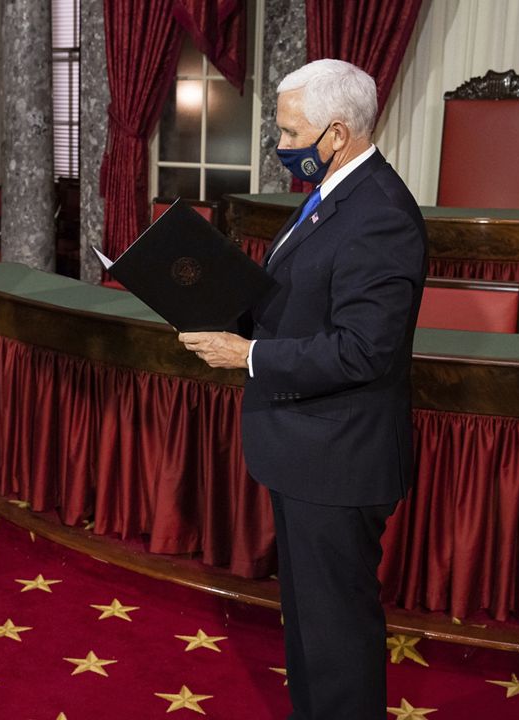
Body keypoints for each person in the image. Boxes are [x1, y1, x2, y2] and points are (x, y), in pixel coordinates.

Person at [179, 59, 427, 719]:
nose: (282, 146)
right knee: (311, 628)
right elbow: (297, 295)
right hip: (305, 450)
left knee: (337, 635)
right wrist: (217, 298)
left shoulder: (380, 213)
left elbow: (363, 349)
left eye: (291, 133)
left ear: (337, 134)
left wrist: (249, 354)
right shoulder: (334, 192)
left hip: (338, 458)